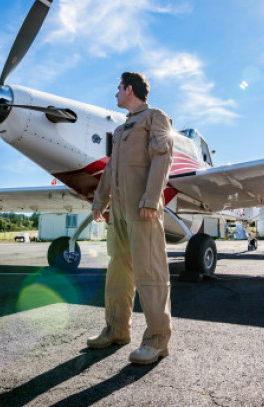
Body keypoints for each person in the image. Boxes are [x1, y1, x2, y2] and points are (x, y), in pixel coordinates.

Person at [88, 72, 174, 365]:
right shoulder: (122, 128)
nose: (115, 93)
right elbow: (112, 169)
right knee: (117, 270)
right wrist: (100, 202)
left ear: (130, 89)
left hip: (143, 210)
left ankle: (157, 340)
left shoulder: (155, 117)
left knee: (149, 273)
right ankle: (116, 329)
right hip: (121, 214)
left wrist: (151, 199)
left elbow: (162, 156)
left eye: (118, 88)